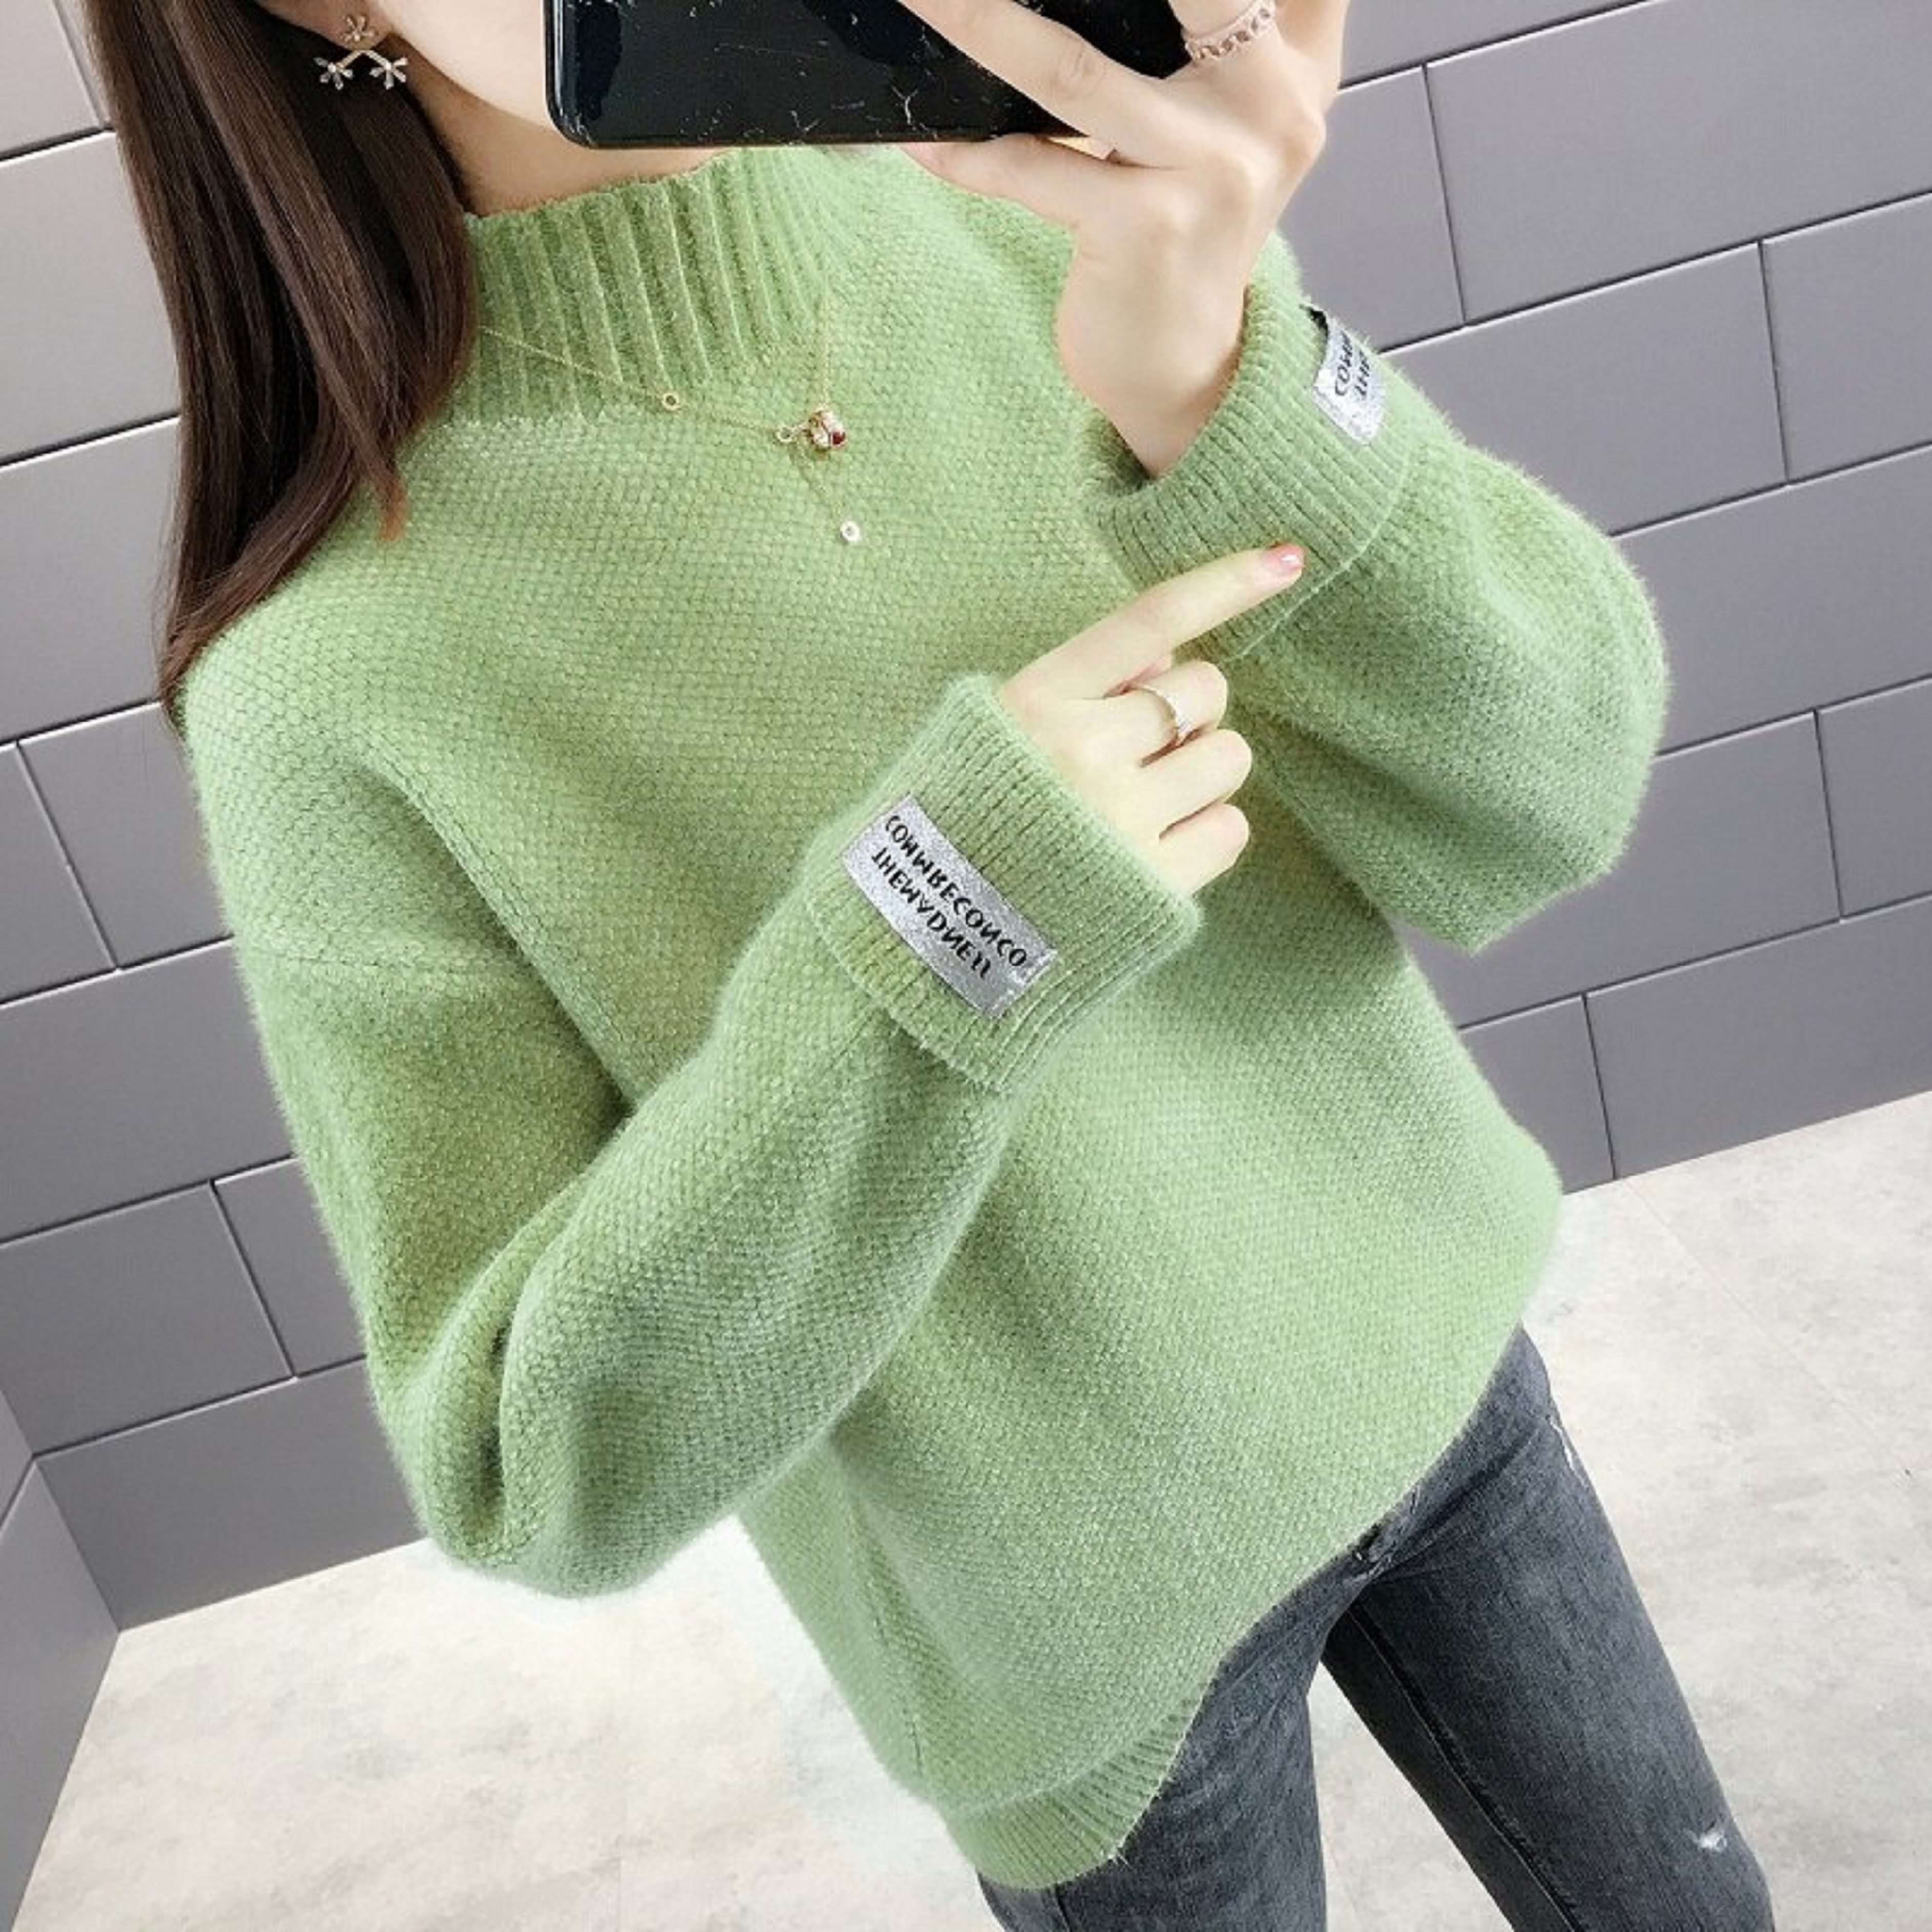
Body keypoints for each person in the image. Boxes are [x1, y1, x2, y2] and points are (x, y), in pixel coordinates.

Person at [93, 0, 1775, 1921]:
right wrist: (938, 925)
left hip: (1444, 1368)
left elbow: (1546, 797)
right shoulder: (326, 686)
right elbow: (526, 1470)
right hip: (1075, 1660)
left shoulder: (1030, 209)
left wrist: (1230, 393)